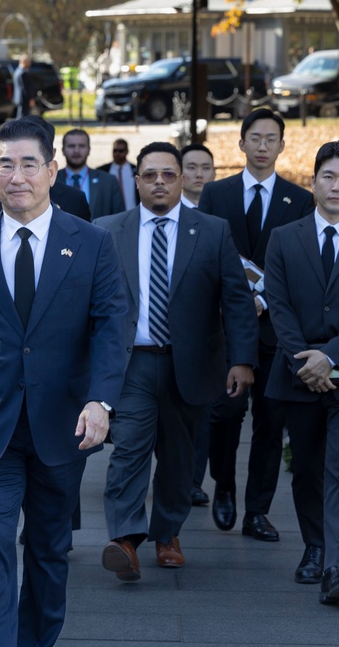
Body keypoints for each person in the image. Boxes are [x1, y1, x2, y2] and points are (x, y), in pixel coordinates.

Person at [0, 120, 127, 646]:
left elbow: (111, 328)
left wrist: (101, 400)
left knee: (48, 550)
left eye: (28, 163)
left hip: (62, 428)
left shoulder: (92, 243)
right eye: (4, 165)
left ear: (52, 170)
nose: (17, 176)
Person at [96, 142, 257, 582]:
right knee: (128, 447)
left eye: (169, 174)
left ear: (182, 179)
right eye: (150, 175)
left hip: (191, 364)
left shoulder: (212, 230)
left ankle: (168, 534)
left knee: (179, 458)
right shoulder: (108, 230)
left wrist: (242, 360)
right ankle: (126, 540)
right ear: (137, 181)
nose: (160, 183)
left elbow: (237, 301)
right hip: (133, 364)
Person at [199, 108, 315, 547]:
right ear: (241, 143)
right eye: (255, 138)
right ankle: (223, 483)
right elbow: (207, 258)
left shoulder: (299, 199)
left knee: (271, 421)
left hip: (276, 329)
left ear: (283, 146)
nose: (263, 146)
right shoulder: (216, 194)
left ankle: (258, 511)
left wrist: (265, 297)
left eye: (272, 139)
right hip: (228, 328)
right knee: (225, 414)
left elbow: (298, 267)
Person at [264, 140, 339, 594]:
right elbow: (279, 307)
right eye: (329, 176)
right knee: (308, 466)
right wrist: (305, 362)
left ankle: (334, 561)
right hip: (297, 373)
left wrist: (331, 356)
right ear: (313, 183)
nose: (337, 186)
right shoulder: (284, 238)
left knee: (337, 468)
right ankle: (314, 547)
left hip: (338, 365)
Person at [180, 142, 219, 506]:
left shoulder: (219, 220)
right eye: (190, 167)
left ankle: (194, 479)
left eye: (205, 167)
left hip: (209, 335)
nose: (198, 175)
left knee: (203, 416)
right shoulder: (162, 213)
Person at [0, 117, 90, 225]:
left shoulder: (75, 202)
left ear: (52, 170)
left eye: (29, 165)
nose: (17, 179)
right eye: (7, 166)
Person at [61, 129, 124, 220]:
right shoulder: (50, 181)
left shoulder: (108, 182)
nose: (76, 151)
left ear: (89, 150)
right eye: (71, 146)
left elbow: (120, 220)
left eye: (81, 146)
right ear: (63, 150)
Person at [99, 138, 138, 210]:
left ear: (127, 151)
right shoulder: (103, 170)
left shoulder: (136, 170)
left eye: (121, 151)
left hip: (132, 212)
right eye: (115, 151)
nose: (117, 154)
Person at [180, 143, 216, 210]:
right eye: (191, 168)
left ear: (214, 173)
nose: (199, 175)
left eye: (206, 168)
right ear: (179, 173)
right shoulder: (169, 210)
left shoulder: (226, 210)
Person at [12, 54, 34, 119]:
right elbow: (26, 87)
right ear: (24, 62)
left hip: (18, 98)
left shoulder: (17, 71)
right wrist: (31, 98)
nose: (29, 63)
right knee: (22, 118)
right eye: (28, 62)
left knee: (20, 116)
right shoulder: (23, 73)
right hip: (24, 99)